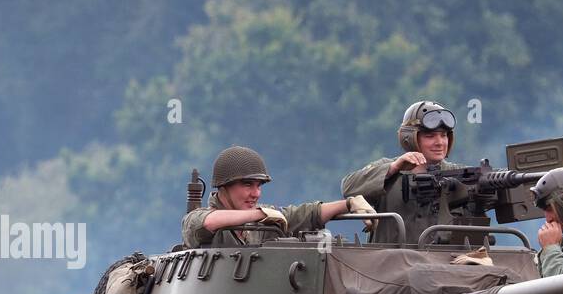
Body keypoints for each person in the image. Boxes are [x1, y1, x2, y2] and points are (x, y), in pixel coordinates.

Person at [340, 101, 478, 244]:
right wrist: (393, 169)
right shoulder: (388, 169)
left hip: (442, 263)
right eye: (430, 136)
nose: (440, 142)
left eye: (443, 135)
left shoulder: (461, 175)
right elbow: (348, 187)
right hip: (391, 262)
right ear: (410, 138)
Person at [183, 145, 372, 248]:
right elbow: (208, 221)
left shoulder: (262, 221)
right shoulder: (195, 220)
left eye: (259, 186)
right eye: (248, 184)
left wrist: (348, 204)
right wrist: (260, 214)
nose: (256, 193)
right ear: (224, 187)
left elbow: (305, 215)